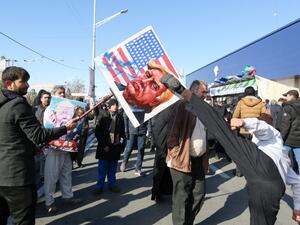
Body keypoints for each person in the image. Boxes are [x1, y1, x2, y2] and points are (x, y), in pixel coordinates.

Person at [160, 74, 300, 224]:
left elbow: (263, 127)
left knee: (223, 130)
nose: (206, 94)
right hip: (270, 188)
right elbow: (297, 182)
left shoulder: (274, 136)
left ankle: (181, 90)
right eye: (204, 92)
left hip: (262, 166)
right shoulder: (281, 156)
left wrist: (244, 122)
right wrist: (297, 208)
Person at [0, 66, 78, 225]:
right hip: (17, 177)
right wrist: (65, 128)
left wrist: (31, 147)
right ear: (9, 84)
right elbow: (38, 135)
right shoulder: (18, 104)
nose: (28, 86)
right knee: (23, 219)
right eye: (23, 82)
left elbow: (12, 135)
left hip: (2, 175)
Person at [165, 79, 209, 225]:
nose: (205, 95)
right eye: (203, 92)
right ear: (194, 90)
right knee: (181, 200)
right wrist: (176, 154)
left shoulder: (202, 108)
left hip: (198, 160)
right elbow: (171, 133)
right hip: (182, 160)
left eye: (206, 92)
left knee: (199, 195)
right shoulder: (182, 105)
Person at [44, 85, 82, 213]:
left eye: (63, 93)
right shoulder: (49, 110)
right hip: (54, 147)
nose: (62, 95)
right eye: (60, 93)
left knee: (67, 173)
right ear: (54, 95)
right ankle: (49, 202)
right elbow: (54, 127)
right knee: (51, 176)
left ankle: (68, 196)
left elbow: (72, 128)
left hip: (66, 147)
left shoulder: (68, 110)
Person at [232, 86, 270, 177]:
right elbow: (265, 116)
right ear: (254, 93)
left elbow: (235, 116)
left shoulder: (241, 102)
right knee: (255, 151)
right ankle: (255, 171)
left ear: (245, 93)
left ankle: (239, 171)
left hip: (243, 130)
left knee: (242, 151)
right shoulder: (260, 103)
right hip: (256, 131)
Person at [94, 99, 126, 194]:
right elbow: (98, 132)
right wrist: (104, 145)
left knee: (112, 168)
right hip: (104, 147)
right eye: (113, 104)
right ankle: (99, 186)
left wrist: (122, 146)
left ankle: (112, 185)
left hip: (115, 146)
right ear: (109, 106)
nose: (115, 106)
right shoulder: (103, 116)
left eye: (116, 104)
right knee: (102, 168)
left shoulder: (120, 117)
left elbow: (122, 133)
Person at [151, 107, 173, 202]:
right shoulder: (164, 110)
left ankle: (168, 192)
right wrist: (159, 145)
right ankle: (157, 193)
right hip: (162, 146)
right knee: (160, 171)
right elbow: (156, 128)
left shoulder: (172, 109)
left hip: (170, 144)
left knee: (170, 170)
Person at [280, 90, 300, 168]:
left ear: (291, 96)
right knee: (299, 160)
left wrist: (281, 138)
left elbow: (285, 125)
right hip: (298, 139)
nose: (286, 98)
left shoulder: (288, 107)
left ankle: (285, 177)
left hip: (288, 139)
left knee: (283, 159)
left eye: (287, 96)